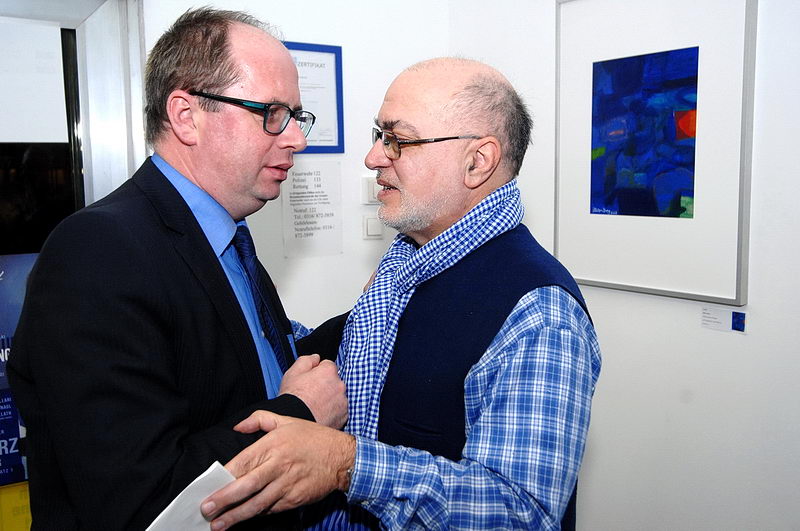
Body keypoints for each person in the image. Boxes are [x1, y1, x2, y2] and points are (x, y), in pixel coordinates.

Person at [201, 57, 602, 530]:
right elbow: (364, 368)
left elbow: (520, 513)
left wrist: (346, 464)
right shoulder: (406, 261)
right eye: (379, 136)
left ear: (478, 161)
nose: (373, 158)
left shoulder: (539, 313)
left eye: (397, 140)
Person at [7, 8, 346, 530]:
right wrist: (299, 413)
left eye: (296, 116)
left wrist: (385, 301)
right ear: (186, 116)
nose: (296, 139)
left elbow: (236, 376)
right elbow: (141, 503)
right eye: (272, 113)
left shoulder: (224, 239)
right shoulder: (98, 252)